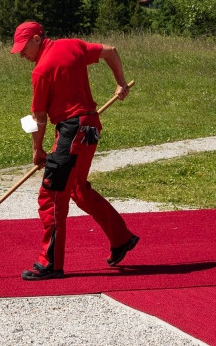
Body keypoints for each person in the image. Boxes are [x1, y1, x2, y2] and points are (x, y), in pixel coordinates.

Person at [10, 20, 139, 281]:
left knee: (52, 196)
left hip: (73, 131)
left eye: (24, 48)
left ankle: (50, 264)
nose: (22, 54)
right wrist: (120, 83)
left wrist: (38, 151)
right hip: (90, 126)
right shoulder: (72, 45)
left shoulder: (41, 71)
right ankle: (121, 238)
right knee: (77, 189)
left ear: (37, 39)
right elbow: (111, 51)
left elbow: (38, 116)